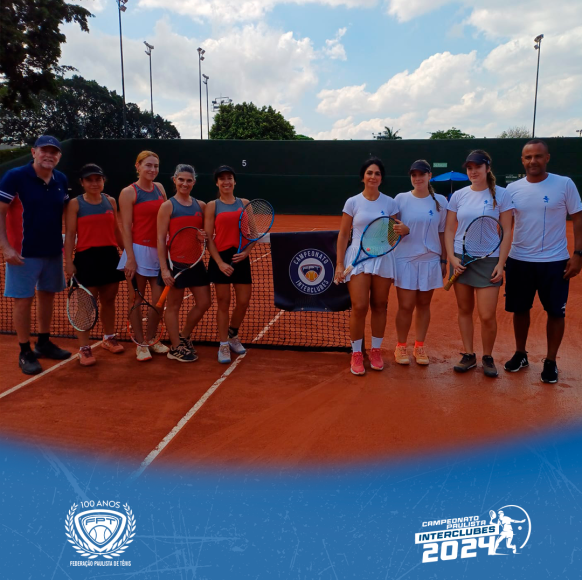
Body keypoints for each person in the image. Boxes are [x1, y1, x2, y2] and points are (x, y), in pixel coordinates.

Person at [504, 139, 582, 383]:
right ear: (522, 160)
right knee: (520, 310)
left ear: (547, 158)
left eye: (538, 156)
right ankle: (521, 354)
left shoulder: (564, 184)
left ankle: (550, 361)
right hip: (519, 260)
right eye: (528, 157)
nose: (533, 161)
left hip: (555, 262)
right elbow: (505, 225)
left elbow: (578, 219)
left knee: (556, 313)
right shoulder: (512, 189)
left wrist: (578, 255)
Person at [0, 135, 71, 375]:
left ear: (59, 156)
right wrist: (5, 247)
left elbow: (66, 211)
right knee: (23, 300)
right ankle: (25, 351)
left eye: (54, 152)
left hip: (52, 251)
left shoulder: (61, 179)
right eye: (44, 150)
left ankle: (43, 342)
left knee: (47, 296)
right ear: (34, 152)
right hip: (22, 253)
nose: (49, 155)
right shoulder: (15, 177)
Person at [335, 158, 408, 376]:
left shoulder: (390, 203)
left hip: (382, 256)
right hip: (357, 256)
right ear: (363, 177)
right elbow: (343, 234)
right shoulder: (352, 202)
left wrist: (403, 231)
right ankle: (357, 353)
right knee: (359, 306)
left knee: (379, 305)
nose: (373, 177)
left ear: (381, 178)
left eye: (377, 173)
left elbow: (393, 233)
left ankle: (375, 351)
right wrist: (340, 264)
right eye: (369, 173)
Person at [444, 150, 513, 378]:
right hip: (461, 258)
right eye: (469, 168)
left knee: (487, 315)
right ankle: (469, 354)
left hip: (489, 260)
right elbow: (450, 229)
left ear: (487, 168)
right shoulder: (458, 196)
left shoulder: (502, 195)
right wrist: (452, 258)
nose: (473, 172)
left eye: (477, 167)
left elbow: (506, 231)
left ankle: (487, 357)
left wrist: (501, 263)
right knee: (464, 310)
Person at [64, 164, 126, 366]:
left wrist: (128, 254)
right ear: (82, 182)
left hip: (110, 256)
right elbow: (70, 234)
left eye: (97, 179)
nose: (94, 183)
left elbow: (116, 231)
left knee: (109, 300)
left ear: (103, 181)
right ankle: (84, 348)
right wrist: (69, 262)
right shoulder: (75, 204)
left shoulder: (110, 201)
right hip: (86, 258)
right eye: (89, 180)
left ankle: (109, 338)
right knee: (86, 305)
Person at [393, 160, 448, 365]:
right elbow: (390, 230)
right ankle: (401, 346)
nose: (417, 178)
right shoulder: (400, 199)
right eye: (414, 175)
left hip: (430, 259)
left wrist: (443, 259)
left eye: (421, 174)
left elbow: (442, 232)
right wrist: (402, 231)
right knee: (406, 306)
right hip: (405, 259)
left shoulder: (440, 201)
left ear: (429, 176)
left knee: (424, 305)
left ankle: (419, 346)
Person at [118, 150, 169, 362]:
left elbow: (168, 216)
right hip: (137, 252)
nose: (152, 169)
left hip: (159, 252)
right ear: (137, 166)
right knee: (136, 299)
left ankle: (151, 339)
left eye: (155, 166)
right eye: (148, 165)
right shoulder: (128, 192)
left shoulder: (160, 188)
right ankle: (140, 344)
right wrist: (130, 257)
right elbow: (126, 227)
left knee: (159, 301)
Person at [157, 164, 211, 363]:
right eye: (181, 179)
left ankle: (184, 335)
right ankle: (175, 347)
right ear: (174, 180)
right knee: (173, 306)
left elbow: (204, 234)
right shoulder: (167, 206)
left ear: (194, 182)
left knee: (205, 303)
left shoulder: (201, 206)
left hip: (195, 263)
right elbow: (160, 239)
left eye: (189, 180)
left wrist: (202, 236)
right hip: (175, 264)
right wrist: (164, 269)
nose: (185, 184)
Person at [204, 165, 253, 364]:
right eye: (222, 178)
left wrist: (246, 252)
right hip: (220, 258)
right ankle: (223, 343)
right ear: (217, 183)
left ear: (234, 181)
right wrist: (219, 263)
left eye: (229, 178)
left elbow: (253, 234)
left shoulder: (245, 203)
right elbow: (208, 237)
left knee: (243, 301)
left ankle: (233, 334)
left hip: (241, 257)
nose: (226, 182)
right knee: (223, 303)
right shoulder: (212, 205)